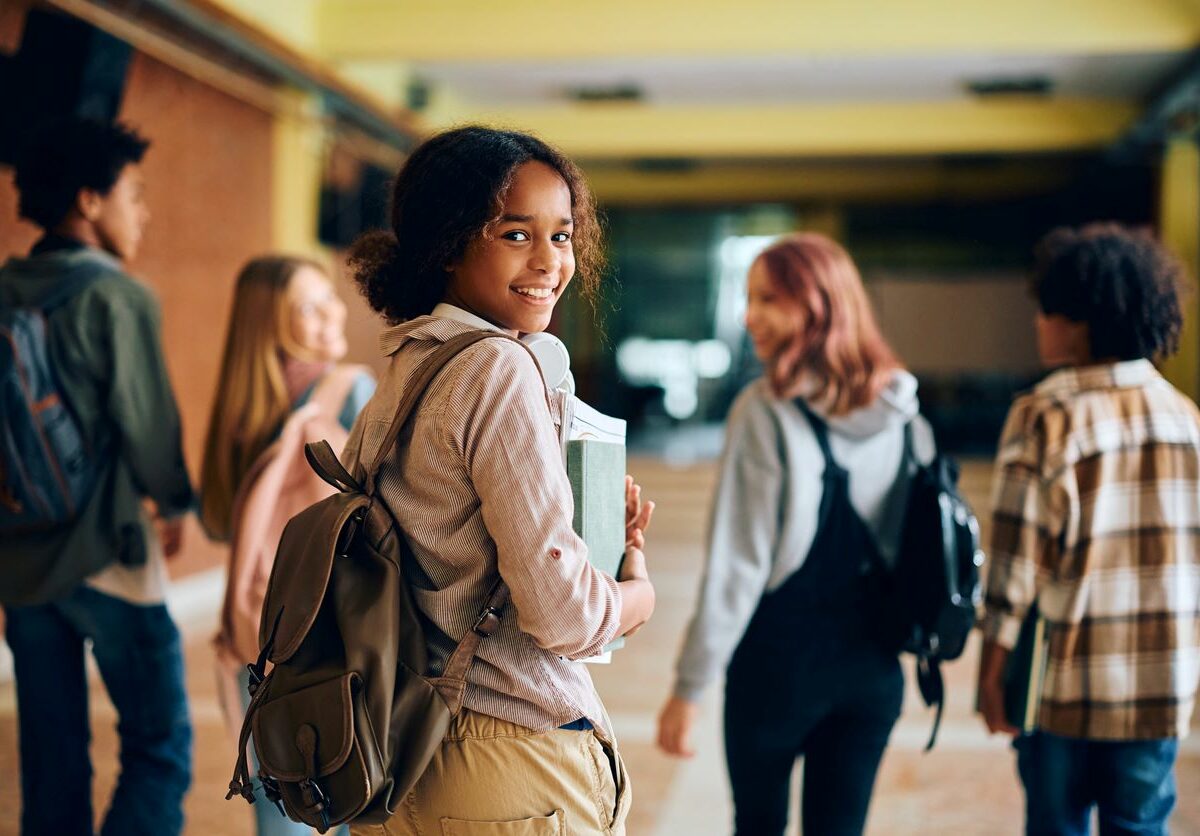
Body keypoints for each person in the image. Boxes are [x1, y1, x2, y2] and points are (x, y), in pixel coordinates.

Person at [339, 125, 655, 835]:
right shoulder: (499, 369)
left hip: (400, 749)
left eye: (563, 236)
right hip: (509, 761)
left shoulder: (408, 367)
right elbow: (563, 616)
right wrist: (635, 594)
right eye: (516, 235)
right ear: (449, 243)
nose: (549, 262)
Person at [657, 233, 934, 836]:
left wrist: (688, 688)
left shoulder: (764, 412)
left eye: (768, 299)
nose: (748, 315)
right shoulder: (905, 413)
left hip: (777, 670)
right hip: (874, 672)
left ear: (816, 306)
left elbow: (738, 567)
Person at [0, 118, 194, 835]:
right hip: (107, 549)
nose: (143, 213)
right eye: (133, 196)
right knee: (158, 749)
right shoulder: (118, 296)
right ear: (88, 201)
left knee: (51, 758)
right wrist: (175, 503)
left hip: (19, 561)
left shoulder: (5, 289)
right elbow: (147, 427)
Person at [977, 223, 1200, 836]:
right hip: (1161, 690)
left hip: (1064, 690)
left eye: (1047, 310)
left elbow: (1014, 565)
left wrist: (993, 671)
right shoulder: (1186, 420)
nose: (1038, 323)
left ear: (1080, 319)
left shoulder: (1046, 415)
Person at [200, 255, 374, 836]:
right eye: (308, 304)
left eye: (329, 297)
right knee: (346, 796)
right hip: (330, 638)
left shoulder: (239, 414)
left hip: (256, 635)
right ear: (268, 322)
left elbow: (220, 522)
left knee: (283, 814)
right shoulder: (350, 391)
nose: (331, 312)